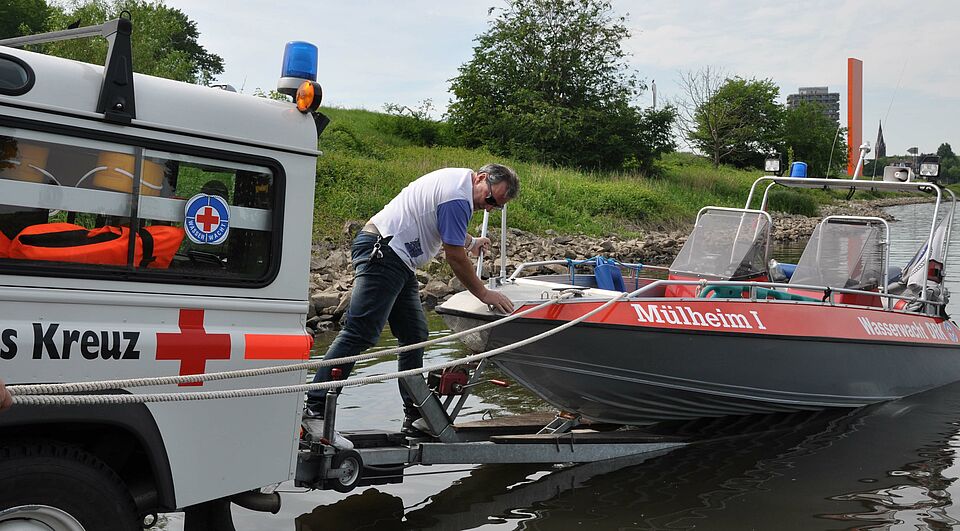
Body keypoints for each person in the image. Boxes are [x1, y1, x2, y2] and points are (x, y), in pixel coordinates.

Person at [305, 163, 519, 446]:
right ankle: (314, 409)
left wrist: (471, 241)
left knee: (414, 335)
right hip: (384, 252)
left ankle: (415, 411)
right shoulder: (458, 197)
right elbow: (454, 256)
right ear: (481, 178)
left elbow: (444, 228)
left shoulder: (457, 185)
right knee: (360, 333)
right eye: (491, 199)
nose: (489, 208)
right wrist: (484, 294)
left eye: (496, 207)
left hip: (397, 258)